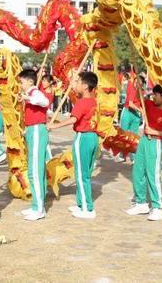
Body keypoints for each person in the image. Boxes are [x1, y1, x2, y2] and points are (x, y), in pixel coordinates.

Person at [49, 71, 99, 219]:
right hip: (93, 138)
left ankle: (87, 208)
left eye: (77, 82)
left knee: (81, 175)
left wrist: (54, 126)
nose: (75, 84)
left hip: (83, 138)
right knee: (85, 174)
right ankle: (81, 204)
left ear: (85, 86)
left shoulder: (82, 103)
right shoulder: (95, 101)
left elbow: (72, 120)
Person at [126, 85, 162, 221]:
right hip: (143, 141)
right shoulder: (149, 104)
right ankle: (141, 203)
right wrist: (137, 86)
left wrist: (154, 132)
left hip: (156, 142)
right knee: (137, 171)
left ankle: (157, 207)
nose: (153, 97)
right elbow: (137, 98)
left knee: (152, 175)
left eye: (156, 95)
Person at [18, 68, 51, 221]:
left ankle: (39, 208)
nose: (21, 85)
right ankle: (36, 204)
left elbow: (45, 102)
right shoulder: (30, 94)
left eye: (22, 82)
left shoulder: (35, 92)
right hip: (32, 130)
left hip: (38, 129)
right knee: (34, 169)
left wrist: (27, 98)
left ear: (30, 81)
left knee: (35, 170)